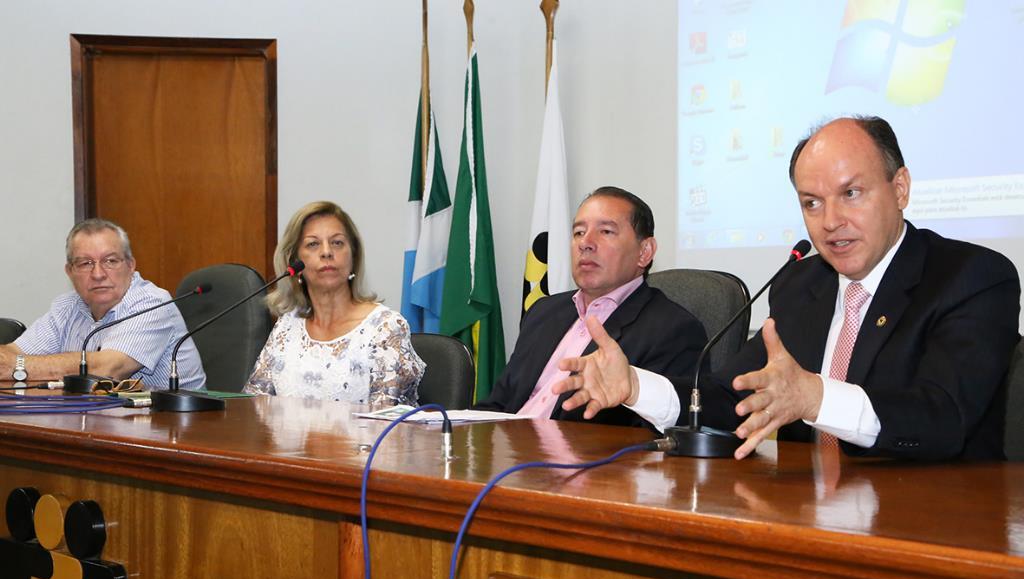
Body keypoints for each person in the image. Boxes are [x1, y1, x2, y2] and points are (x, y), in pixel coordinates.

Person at [554, 117, 1020, 461]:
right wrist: (638, 386)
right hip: (803, 517)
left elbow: (943, 416)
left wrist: (815, 397)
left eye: (851, 194)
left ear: (899, 189)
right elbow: (733, 397)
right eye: (812, 203)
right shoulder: (803, 284)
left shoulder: (972, 276)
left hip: (933, 525)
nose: (831, 221)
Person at [475, 186, 708, 429]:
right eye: (578, 232)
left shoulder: (674, 329)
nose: (585, 243)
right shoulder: (544, 312)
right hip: (506, 452)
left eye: (606, 231)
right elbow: (498, 404)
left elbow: (657, 434)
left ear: (644, 252)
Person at [244, 200, 424, 406]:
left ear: (353, 256)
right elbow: (253, 408)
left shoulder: (385, 328)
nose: (327, 252)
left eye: (337, 242)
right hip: (286, 439)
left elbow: (387, 421)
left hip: (363, 439)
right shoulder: (287, 327)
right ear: (294, 262)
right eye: (313, 244)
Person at [0, 218, 205, 390]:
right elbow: (12, 353)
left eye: (110, 261)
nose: (98, 274)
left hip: (174, 427)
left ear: (130, 266)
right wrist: (13, 361)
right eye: (85, 263)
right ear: (69, 272)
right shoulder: (67, 306)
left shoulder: (153, 303)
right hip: (99, 422)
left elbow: (108, 370)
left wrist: (17, 366)